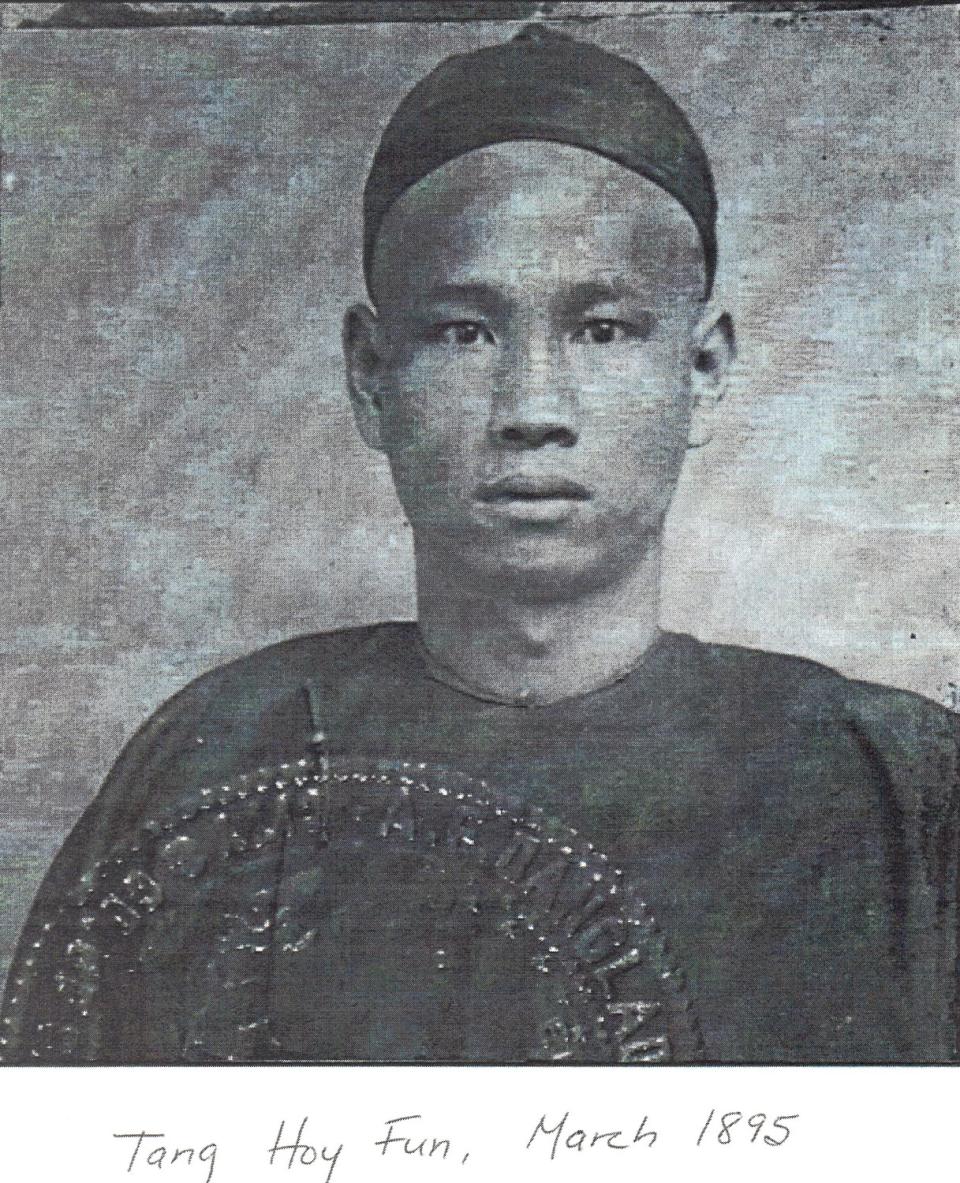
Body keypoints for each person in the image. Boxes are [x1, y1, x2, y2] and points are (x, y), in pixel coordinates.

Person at [2, 24, 957, 1066]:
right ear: (372, 375)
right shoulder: (216, 760)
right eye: (465, 331)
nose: (532, 409)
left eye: (603, 329)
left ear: (704, 370)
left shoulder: (896, 785)